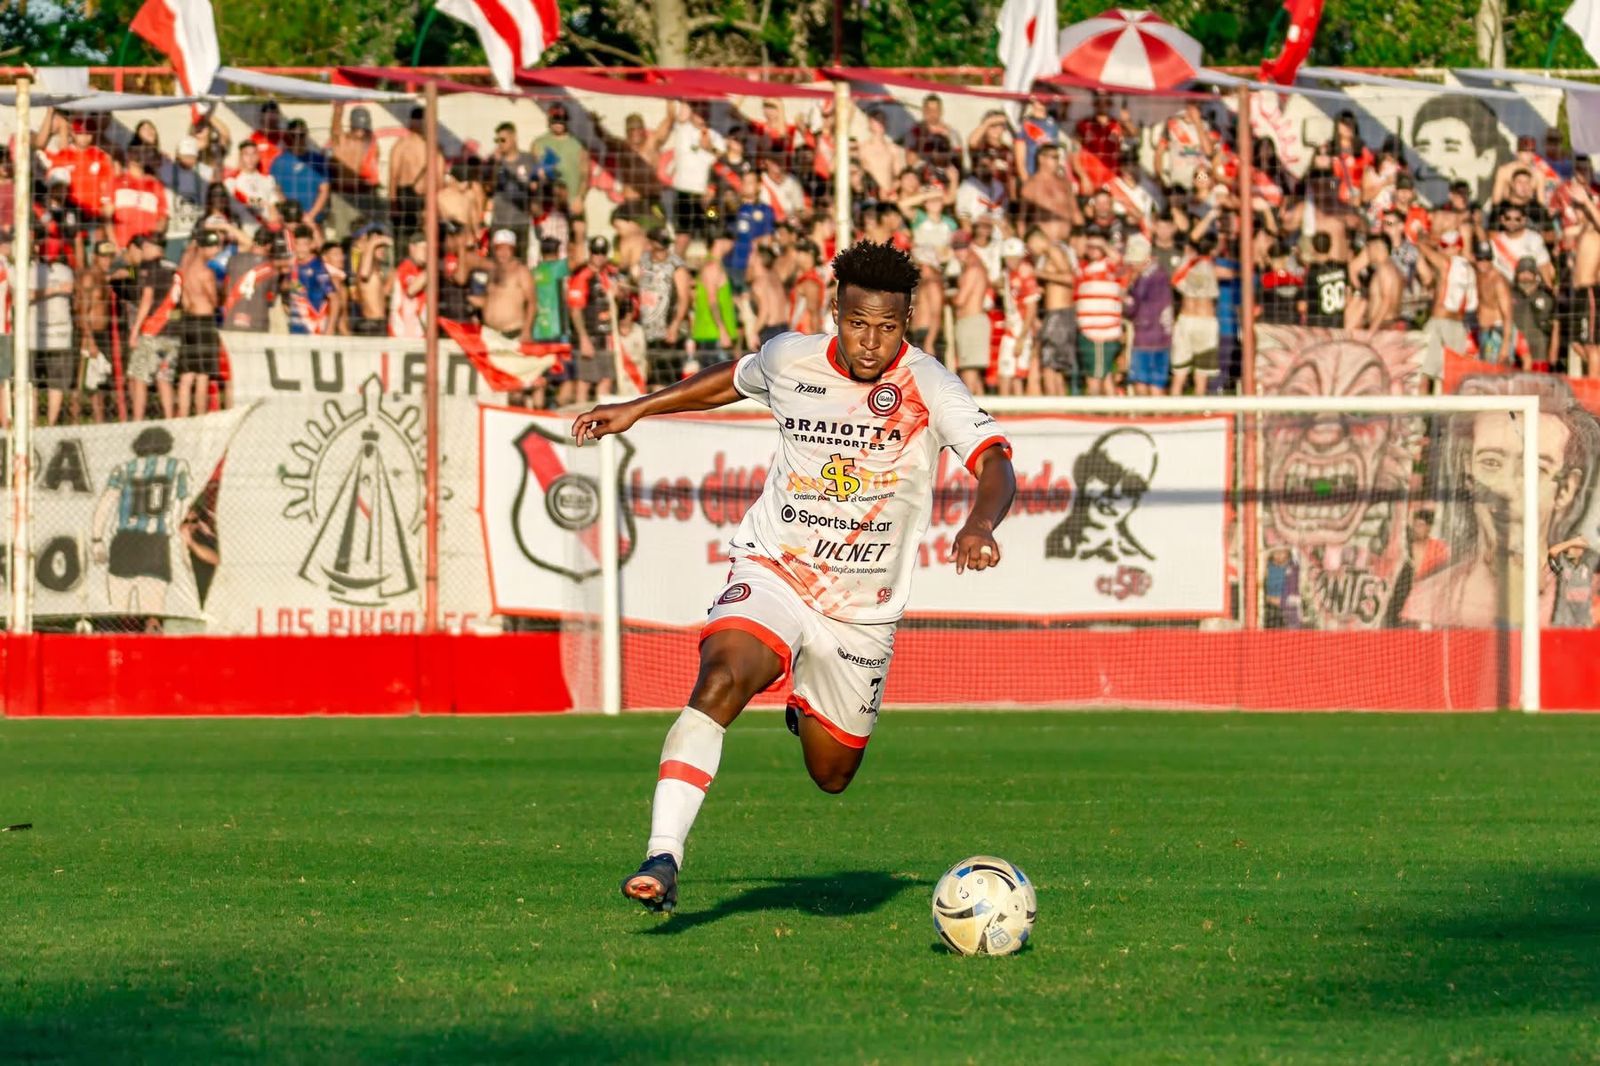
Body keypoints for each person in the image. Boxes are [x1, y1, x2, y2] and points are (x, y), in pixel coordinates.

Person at [571, 240, 1017, 913]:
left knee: (832, 774)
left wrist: (981, 525)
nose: (872, 343)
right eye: (859, 324)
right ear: (836, 311)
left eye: (888, 328)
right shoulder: (792, 358)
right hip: (775, 565)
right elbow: (736, 377)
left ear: (907, 325)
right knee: (722, 676)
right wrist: (640, 407)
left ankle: (803, 696)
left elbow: (995, 462)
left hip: (859, 609)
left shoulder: (927, 383)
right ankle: (664, 853)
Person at [1403, 374, 1600, 627]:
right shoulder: (1429, 600)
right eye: (1491, 463)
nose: (1506, 488)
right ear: (1468, 473)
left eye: (1534, 468)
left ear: (1566, 489)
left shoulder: (1589, 606)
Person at [126, 234, 181, 422]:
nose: (144, 251)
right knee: (164, 379)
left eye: (146, 247)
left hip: (153, 331)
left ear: (156, 248)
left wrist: (135, 331)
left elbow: (146, 300)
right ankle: (169, 419)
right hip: (174, 332)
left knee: (139, 377)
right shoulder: (174, 268)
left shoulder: (150, 267)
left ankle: (138, 420)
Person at [567, 236, 621, 404]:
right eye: (596, 253)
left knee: (606, 379)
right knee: (585, 381)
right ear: (590, 253)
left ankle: (601, 419)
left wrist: (619, 294)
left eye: (602, 253)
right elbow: (575, 310)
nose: (599, 257)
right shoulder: (582, 276)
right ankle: (580, 419)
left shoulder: (610, 274)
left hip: (608, 336)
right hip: (589, 335)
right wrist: (583, 338)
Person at [531, 104, 591, 247]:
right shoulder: (539, 144)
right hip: (548, 205)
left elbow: (585, 175)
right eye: (555, 120)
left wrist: (580, 198)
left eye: (562, 120)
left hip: (571, 203)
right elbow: (533, 176)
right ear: (549, 120)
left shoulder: (578, 145)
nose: (558, 124)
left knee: (576, 242)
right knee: (547, 245)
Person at [176, 230, 222, 417]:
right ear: (205, 248)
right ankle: (200, 418)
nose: (217, 250)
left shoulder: (185, 267)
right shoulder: (206, 272)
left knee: (186, 376)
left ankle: (182, 416)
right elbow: (214, 301)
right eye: (214, 246)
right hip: (203, 322)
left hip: (188, 321)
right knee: (202, 375)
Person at [32, 238, 76, 426]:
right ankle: (43, 424)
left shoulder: (32, 271)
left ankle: (37, 424)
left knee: (36, 383)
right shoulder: (66, 271)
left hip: (43, 338)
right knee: (46, 383)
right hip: (48, 338)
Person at [1074, 235, 1125, 396]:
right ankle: (1109, 416)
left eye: (1096, 246)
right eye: (1089, 246)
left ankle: (1093, 417)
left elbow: (1119, 261)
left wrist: (1102, 243)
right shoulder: (1082, 268)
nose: (1092, 249)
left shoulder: (1109, 266)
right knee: (1105, 376)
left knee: (1094, 380)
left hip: (1100, 333)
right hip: (1088, 333)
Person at [1169, 235, 1219, 396]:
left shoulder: (1210, 265)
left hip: (1202, 322)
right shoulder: (1193, 263)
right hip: (1190, 320)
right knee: (1181, 374)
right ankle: (1175, 415)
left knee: (1199, 376)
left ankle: (1199, 414)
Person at [1123, 234, 1172, 396]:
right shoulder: (1162, 274)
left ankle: (1145, 420)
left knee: (1141, 381)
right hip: (1163, 338)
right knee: (1157, 382)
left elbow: (1132, 308)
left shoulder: (1142, 280)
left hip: (1144, 338)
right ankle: (1159, 419)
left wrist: (1124, 296)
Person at [327, 104, 382, 239]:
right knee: (344, 234)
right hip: (342, 194)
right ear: (352, 126)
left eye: (363, 130)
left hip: (363, 193)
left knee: (365, 233)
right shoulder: (341, 140)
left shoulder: (369, 142)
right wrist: (338, 110)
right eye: (358, 129)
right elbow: (335, 128)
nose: (361, 133)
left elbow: (373, 167)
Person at [269, 119, 331, 225]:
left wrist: (311, 216)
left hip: (314, 221)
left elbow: (324, 190)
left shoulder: (317, 160)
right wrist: (290, 213)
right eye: (294, 135)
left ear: (306, 134)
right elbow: (276, 190)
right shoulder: (280, 162)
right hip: (289, 221)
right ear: (288, 136)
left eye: (301, 135)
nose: (297, 139)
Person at [951, 233, 991, 395]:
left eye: (962, 248)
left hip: (971, 322)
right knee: (973, 375)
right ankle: (983, 417)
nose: (959, 252)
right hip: (973, 322)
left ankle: (973, 417)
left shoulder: (972, 267)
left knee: (968, 374)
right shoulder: (975, 265)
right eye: (956, 248)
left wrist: (947, 296)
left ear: (970, 246)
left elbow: (960, 300)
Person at [483, 228, 536, 343]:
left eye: (507, 249)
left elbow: (532, 302)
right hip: (491, 334)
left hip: (512, 335)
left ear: (513, 250)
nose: (503, 253)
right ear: (494, 250)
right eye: (499, 249)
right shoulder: (493, 271)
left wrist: (526, 331)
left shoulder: (521, 271)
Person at [287, 224, 340, 336]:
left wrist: (329, 329)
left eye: (304, 244)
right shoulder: (293, 265)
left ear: (312, 245)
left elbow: (334, 299)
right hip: (296, 330)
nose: (300, 248)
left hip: (314, 330)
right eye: (297, 244)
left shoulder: (318, 268)